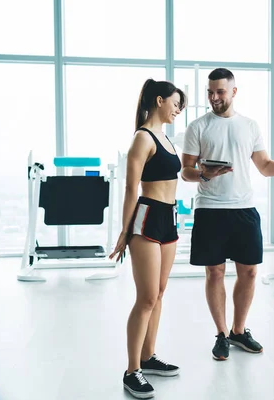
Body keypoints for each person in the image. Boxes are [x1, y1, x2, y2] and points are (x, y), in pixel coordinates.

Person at [181, 68, 274, 361]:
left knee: (250, 272)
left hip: (244, 210)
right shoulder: (197, 127)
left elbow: (265, 166)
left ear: (234, 92)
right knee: (215, 273)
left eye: (220, 92)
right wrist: (204, 173)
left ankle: (238, 331)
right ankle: (221, 334)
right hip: (210, 210)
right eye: (210, 92)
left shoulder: (250, 126)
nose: (214, 97)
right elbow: (186, 171)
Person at [109, 79, 186, 399]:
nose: (178, 109)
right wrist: (125, 233)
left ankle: (148, 356)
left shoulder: (166, 138)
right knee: (146, 298)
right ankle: (131, 371)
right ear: (159, 101)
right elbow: (130, 189)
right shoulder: (142, 138)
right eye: (175, 103)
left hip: (168, 218)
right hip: (146, 219)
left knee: (159, 293)